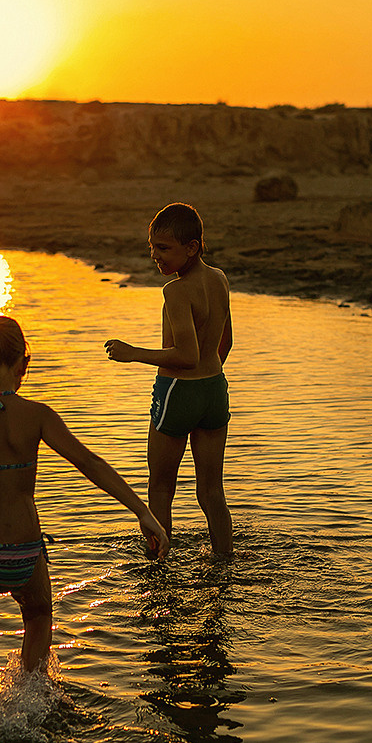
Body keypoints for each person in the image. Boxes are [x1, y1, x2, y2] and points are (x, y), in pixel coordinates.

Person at [0, 315, 169, 706]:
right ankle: (31, 704)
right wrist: (142, 510)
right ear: (25, 364)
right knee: (37, 618)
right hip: (21, 549)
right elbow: (90, 464)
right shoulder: (37, 415)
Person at [104, 202, 234, 557]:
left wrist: (133, 353)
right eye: (152, 248)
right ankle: (224, 563)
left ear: (192, 247)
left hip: (178, 392)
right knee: (212, 492)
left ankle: (157, 569)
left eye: (164, 249)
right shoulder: (220, 279)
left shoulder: (175, 291)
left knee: (160, 488)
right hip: (214, 390)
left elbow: (186, 355)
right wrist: (208, 375)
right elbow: (226, 341)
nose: (155, 257)